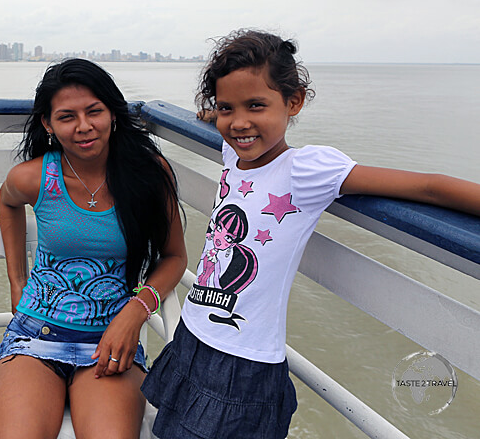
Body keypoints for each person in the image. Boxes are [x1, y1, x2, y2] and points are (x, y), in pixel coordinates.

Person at [141, 30, 480, 439]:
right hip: (194, 332)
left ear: (294, 101)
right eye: (227, 107)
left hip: (242, 359)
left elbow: (428, 187)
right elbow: (227, 125)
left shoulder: (307, 169)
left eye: (256, 105)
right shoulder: (234, 151)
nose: (240, 122)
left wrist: (229, 115)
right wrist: (214, 115)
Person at [0, 58, 188, 439]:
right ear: (48, 124)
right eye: (67, 116)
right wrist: (17, 280)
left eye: (94, 111)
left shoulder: (148, 172)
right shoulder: (34, 178)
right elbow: (7, 202)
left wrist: (136, 310)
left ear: (113, 113)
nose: (83, 126)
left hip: (110, 342)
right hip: (35, 336)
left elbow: (175, 257)